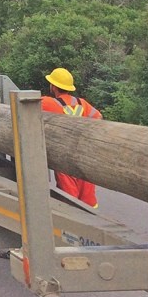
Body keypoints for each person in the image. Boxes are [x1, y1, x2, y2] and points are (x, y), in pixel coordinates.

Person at [41, 67, 102, 208]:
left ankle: (70, 229)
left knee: (69, 203)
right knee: (88, 204)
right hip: (84, 159)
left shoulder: (49, 103)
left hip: (65, 160)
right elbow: (98, 117)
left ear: (53, 86)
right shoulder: (82, 103)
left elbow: (27, 105)